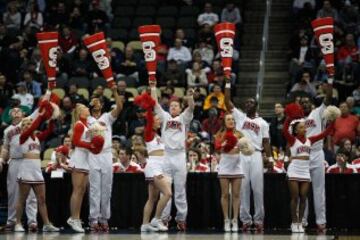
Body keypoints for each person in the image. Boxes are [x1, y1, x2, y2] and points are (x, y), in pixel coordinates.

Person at [224, 79, 272, 232]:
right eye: (246, 103)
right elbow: (227, 101)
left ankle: (258, 220)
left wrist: (270, 158)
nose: (247, 105)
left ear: (256, 106)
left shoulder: (263, 123)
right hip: (242, 154)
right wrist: (227, 84)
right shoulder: (240, 117)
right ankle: (245, 220)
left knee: (258, 189)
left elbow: (266, 142)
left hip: (257, 155)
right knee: (242, 188)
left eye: (250, 103)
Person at [151, 83, 194, 231]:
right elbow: (155, 104)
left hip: (180, 156)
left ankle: (181, 218)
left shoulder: (184, 118)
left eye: (176, 105)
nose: (173, 107)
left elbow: (191, 107)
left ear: (180, 108)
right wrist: (153, 88)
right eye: (171, 105)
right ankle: (164, 218)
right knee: (166, 190)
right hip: (166, 156)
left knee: (180, 189)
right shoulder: (165, 117)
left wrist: (190, 97)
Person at [282, 115, 334, 233]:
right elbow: (284, 130)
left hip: (305, 170)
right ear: (296, 130)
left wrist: (332, 121)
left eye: (305, 127)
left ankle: (300, 222)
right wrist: (289, 117)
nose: (305, 129)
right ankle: (294, 222)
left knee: (304, 198)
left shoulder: (310, 140)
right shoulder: (292, 140)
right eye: (301, 127)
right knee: (295, 198)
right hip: (294, 169)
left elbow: (325, 133)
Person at [134, 92, 172, 232]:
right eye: (157, 120)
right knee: (168, 193)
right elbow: (150, 118)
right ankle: (156, 219)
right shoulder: (149, 132)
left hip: (159, 166)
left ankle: (145, 224)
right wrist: (150, 107)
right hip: (154, 167)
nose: (159, 121)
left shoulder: (157, 135)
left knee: (152, 198)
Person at [15, 110, 59, 232]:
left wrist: (51, 120)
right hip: (26, 169)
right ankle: (18, 223)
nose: (27, 126)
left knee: (42, 199)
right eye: (25, 125)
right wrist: (41, 115)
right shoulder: (22, 137)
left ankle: (46, 224)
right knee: (22, 199)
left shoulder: (36, 138)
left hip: (36, 169)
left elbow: (49, 131)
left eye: (29, 124)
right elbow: (34, 126)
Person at [87, 86, 122, 232]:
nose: (95, 103)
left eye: (98, 101)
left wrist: (114, 92)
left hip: (107, 154)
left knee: (106, 188)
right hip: (92, 154)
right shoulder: (85, 119)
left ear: (101, 105)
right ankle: (93, 219)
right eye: (92, 101)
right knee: (94, 189)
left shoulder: (107, 117)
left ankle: (104, 218)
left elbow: (120, 107)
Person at [299, 83, 333, 232]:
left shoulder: (318, 112)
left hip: (317, 152)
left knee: (319, 189)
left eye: (307, 102)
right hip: (302, 155)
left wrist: (329, 85)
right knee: (302, 191)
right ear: (299, 106)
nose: (305, 105)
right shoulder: (295, 121)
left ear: (312, 104)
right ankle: (302, 220)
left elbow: (329, 99)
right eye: (303, 103)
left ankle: (321, 222)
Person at [0, 107, 38, 231]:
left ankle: (32, 222)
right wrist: (1, 160)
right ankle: (12, 221)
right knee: (13, 193)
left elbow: (37, 112)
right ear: (10, 115)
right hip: (14, 161)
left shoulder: (28, 122)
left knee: (31, 193)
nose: (16, 112)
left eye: (19, 111)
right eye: (13, 111)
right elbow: (5, 148)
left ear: (23, 114)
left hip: (28, 160)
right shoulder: (7, 131)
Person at [67, 104, 101, 232]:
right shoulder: (79, 125)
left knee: (81, 191)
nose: (88, 109)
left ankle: (76, 218)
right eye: (86, 108)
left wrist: (95, 143)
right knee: (77, 190)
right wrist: (90, 145)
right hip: (79, 158)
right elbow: (75, 142)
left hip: (86, 159)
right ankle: (74, 218)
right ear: (81, 112)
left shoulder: (86, 125)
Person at [214, 113, 247, 232]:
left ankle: (235, 220)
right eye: (228, 119)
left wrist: (244, 148)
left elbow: (246, 149)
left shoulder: (240, 134)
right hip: (225, 164)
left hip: (237, 165)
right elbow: (217, 149)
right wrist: (224, 147)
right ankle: (226, 220)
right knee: (225, 194)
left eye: (233, 119)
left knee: (236, 194)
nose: (231, 121)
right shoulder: (219, 134)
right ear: (224, 122)